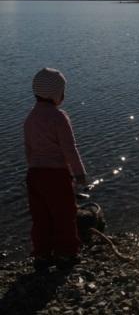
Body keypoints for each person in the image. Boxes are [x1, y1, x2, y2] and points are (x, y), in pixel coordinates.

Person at [24, 67, 87, 272]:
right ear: (56, 94)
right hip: (56, 175)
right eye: (62, 91)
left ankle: (42, 254)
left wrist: (33, 169)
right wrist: (79, 173)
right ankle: (66, 253)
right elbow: (69, 149)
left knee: (40, 216)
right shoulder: (59, 118)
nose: (64, 96)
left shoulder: (30, 118)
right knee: (64, 215)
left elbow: (29, 149)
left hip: (34, 175)